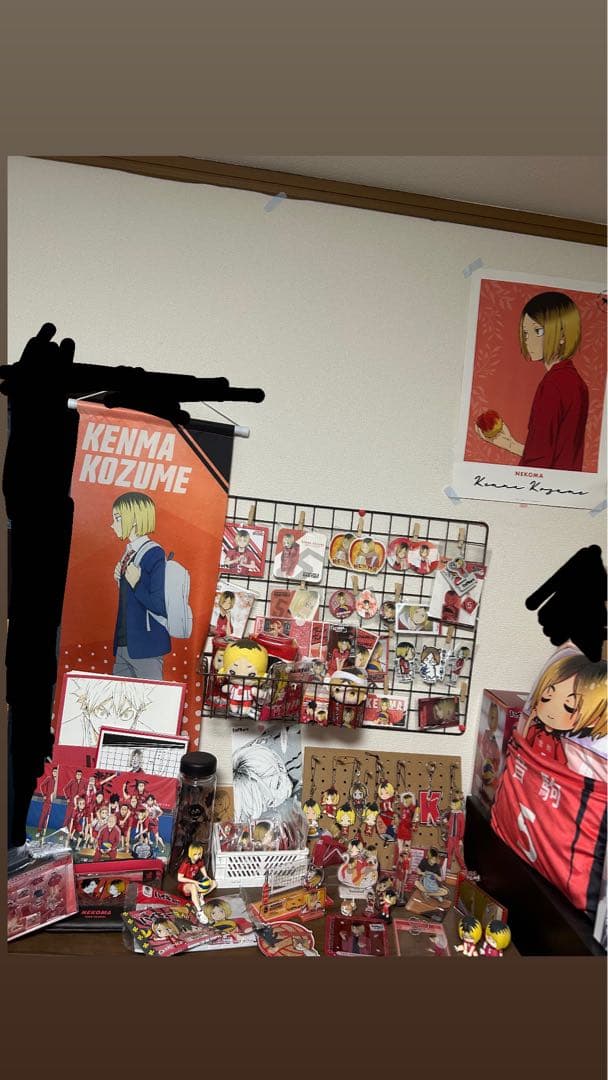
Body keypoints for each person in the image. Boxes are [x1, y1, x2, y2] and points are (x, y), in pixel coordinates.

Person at [475, 291, 589, 471]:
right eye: (526, 333)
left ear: (563, 335)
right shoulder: (576, 382)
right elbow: (553, 454)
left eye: (539, 331)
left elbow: (538, 461)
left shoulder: (553, 385)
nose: (529, 340)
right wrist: (509, 444)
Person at [111, 492, 171, 680]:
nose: (113, 525)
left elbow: (160, 606)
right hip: (124, 644)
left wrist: (136, 584)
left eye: (118, 518)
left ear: (135, 519)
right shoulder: (129, 553)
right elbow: (130, 602)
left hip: (146, 646)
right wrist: (121, 580)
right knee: (118, 696)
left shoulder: (154, 554)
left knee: (151, 695)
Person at [521, 653, 606, 764]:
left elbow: (561, 764)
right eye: (546, 698)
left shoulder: (556, 743)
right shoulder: (535, 730)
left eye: (569, 707)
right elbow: (522, 741)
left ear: (593, 720)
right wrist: (530, 719)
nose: (552, 710)